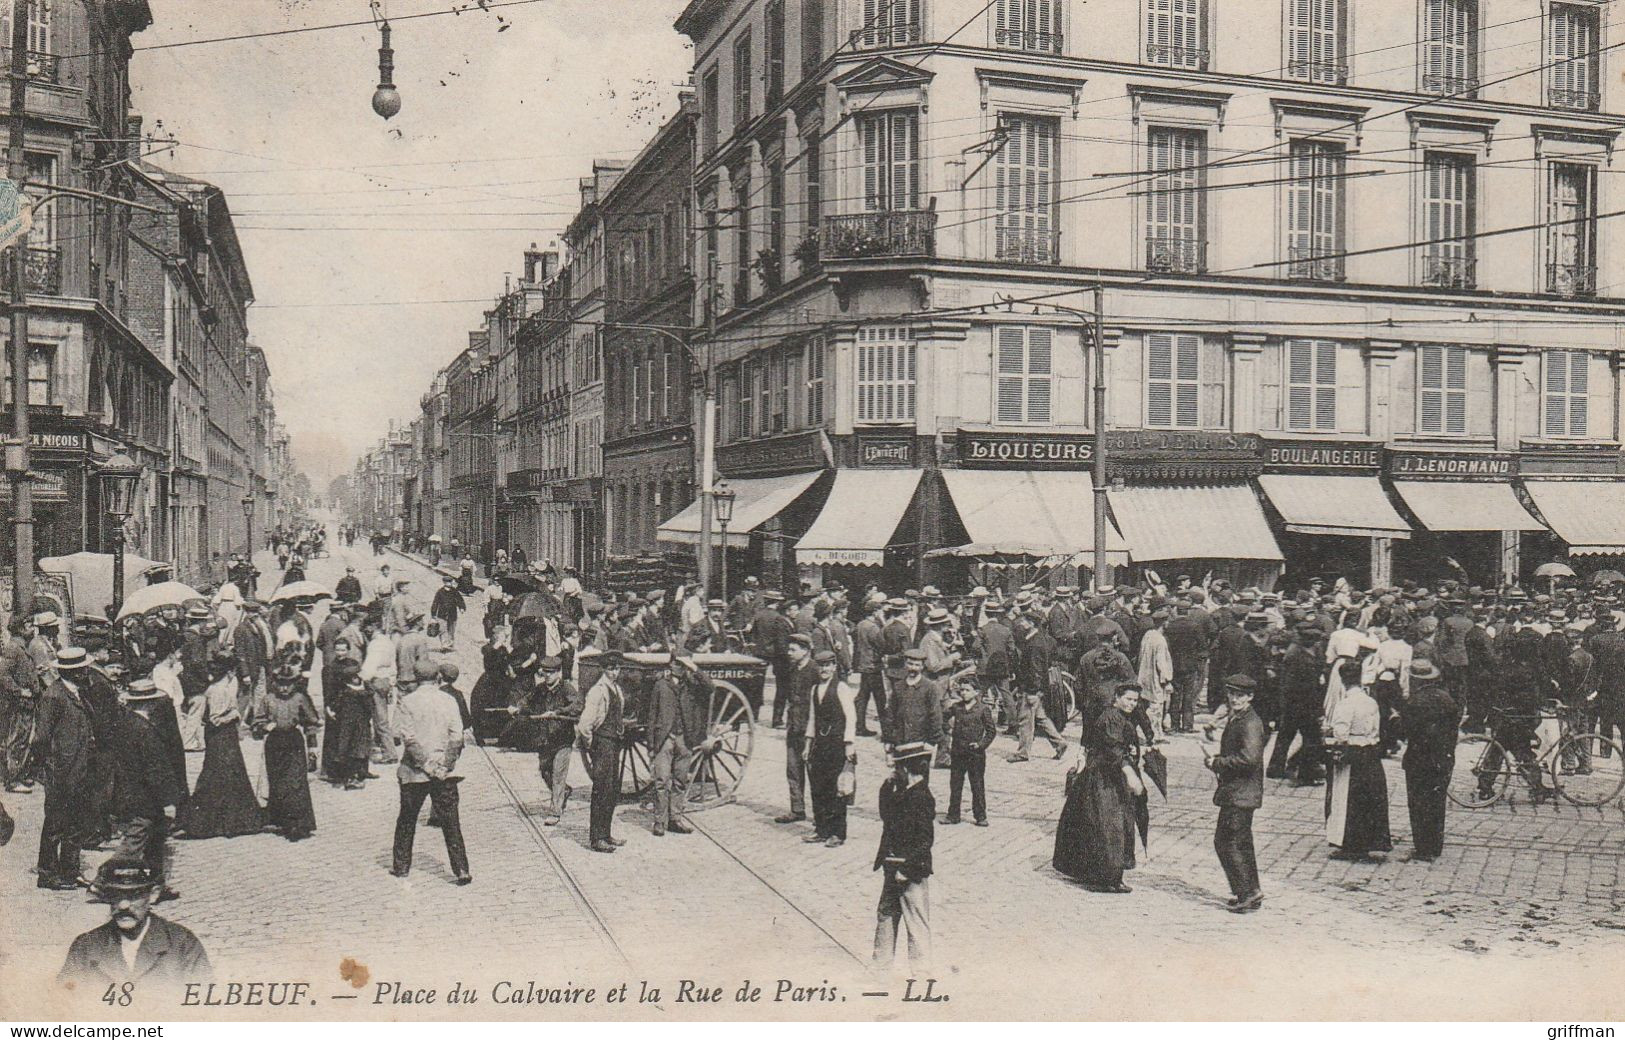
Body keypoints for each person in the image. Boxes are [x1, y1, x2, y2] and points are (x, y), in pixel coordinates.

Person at [57, 858, 211, 995]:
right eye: (116, 895)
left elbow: (203, 1009)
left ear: (153, 895)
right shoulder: (86, 947)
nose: (124, 905)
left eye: (133, 895)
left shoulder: (182, 945)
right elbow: (63, 1006)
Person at [1053, 683, 1146, 892]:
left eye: (1135, 700)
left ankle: (1101, 874)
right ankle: (1107, 877)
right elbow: (1114, 749)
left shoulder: (1118, 716)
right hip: (1104, 779)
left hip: (1109, 777)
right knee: (1108, 826)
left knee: (1103, 824)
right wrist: (1130, 773)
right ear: (1117, 697)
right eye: (1129, 699)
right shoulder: (1111, 717)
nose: (1132, 704)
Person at [391, 665, 471, 884]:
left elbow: (406, 738)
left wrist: (426, 765)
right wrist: (445, 765)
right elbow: (457, 737)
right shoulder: (449, 700)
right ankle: (461, 869)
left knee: (407, 819)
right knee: (451, 821)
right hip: (444, 773)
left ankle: (401, 866)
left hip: (415, 772)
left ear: (416, 678)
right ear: (437, 678)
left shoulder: (407, 702)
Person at [175, 654, 266, 840]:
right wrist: (233, 715)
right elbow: (216, 719)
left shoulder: (218, 687)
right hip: (222, 736)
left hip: (222, 737)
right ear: (230, 672)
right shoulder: (219, 690)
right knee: (222, 773)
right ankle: (224, 821)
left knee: (224, 772)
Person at [110, 680, 185, 895]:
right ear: (150, 704)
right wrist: (169, 801)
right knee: (136, 841)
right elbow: (157, 770)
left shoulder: (125, 724)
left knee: (155, 839)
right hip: (146, 797)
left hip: (131, 791)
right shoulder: (146, 730)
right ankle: (102, 881)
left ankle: (156, 885)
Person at [31, 647, 98, 889]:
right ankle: (47, 874)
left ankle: (70, 871)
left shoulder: (77, 693)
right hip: (61, 771)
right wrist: (49, 767)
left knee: (76, 822)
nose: (87, 671)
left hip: (78, 770)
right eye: (84, 669)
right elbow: (41, 739)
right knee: (55, 825)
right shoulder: (54, 696)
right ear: (75, 672)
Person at [1205, 674, 1267, 913]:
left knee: (1226, 842)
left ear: (1250, 697)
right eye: (1231, 694)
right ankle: (1251, 889)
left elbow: (1249, 759)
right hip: (1241, 792)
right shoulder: (1242, 717)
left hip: (1241, 793)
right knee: (1241, 842)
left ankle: (1247, 892)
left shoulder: (1249, 722)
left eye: (1240, 695)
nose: (1234, 699)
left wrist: (1218, 763)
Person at [872, 742, 935, 977]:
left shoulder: (922, 798)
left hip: (911, 870)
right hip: (891, 864)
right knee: (886, 915)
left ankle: (921, 973)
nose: (894, 771)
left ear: (906, 769)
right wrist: (886, 786)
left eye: (897, 767)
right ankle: (880, 966)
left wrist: (907, 869)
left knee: (916, 921)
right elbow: (885, 814)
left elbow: (924, 842)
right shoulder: (900, 792)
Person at [1322, 659, 1391, 861]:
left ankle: (1351, 844)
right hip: (1370, 752)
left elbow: (1341, 734)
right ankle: (1373, 841)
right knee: (1370, 799)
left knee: (1348, 800)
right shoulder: (1371, 701)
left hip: (1353, 753)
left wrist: (1330, 733)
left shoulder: (1345, 704)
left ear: (1343, 681)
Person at [253, 660, 320, 842]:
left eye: (288, 684)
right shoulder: (268, 699)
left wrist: (313, 746)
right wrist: (266, 726)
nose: (284, 688)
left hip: (294, 743)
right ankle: (282, 821)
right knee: (279, 783)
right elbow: (256, 723)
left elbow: (312, 721)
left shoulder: (299, 698)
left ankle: (298, 825)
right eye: (281, 684)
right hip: (274, 745)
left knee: (296, 783)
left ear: (294, 683)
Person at [1401, 659, 1460, 862]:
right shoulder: (1447, 700)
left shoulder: (1414, 702)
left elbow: (1406, 731)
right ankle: (1435, 845)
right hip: (1443, 757)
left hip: (1418, 759)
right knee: (1437, 801)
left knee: (1418, 804)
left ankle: (1422, 847)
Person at [804, 649, 857, 847]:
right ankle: (821, 829)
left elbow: (851, 717)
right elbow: (812, 718)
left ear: (834, 667)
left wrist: (849, 745)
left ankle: (838, 833)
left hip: (837, 744)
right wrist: (808, 744)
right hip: (820, 744)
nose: (824, 669)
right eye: (821, 666)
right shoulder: (815, 689)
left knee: (838, 789)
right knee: (818, 788)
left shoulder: (842, 688)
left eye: (827, 666)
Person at [576, 652, 628, 853]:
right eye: (610, 669)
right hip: (603, 743)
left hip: (613, 744)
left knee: (612, 790)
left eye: (617, 668)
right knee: (601, 790)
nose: (614, 672)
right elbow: (584, 725)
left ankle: (606, 833)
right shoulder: (598, 691)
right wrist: (592, 745)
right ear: (604, 669)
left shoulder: (615, 688)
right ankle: (597, 838)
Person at [521, 655, 581, 825]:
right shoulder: (540, 689)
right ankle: (565, 792)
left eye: (551, 673)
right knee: (545, 771)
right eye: (545, 673)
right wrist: (517, 707)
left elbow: (577, 706)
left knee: (558, 775)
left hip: (562, 739)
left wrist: (558, 712)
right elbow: (527, 700)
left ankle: (555, 811)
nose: (547, 676)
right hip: (545, 739)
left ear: (558, 673)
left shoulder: (566, 689)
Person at [648, 655, 705, 837]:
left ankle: (675, 819)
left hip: (684, 739)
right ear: (671, 664)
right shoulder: (661, 685)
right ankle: (659, 821)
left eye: (683, 665)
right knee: (661, 780)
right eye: (677, 663)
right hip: (664, 739)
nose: (679, 668)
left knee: (680, 780)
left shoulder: (692, 685)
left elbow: (710, 688)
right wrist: (651, 744)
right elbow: (652, 715)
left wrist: (694, 668)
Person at [1268, 623, 1327, 785]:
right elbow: (1294, 685)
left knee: (1286, 736)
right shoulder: (1296, 656)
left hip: (1298, 704)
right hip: (1300, 704)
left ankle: (1276, 768)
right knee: (1311, 739)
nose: (1315, 642)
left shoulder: (1307, 650)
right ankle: (1305, 773)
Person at [776, 635, 817, 825]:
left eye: (793, 650)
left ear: (805, 650)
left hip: (811, 730)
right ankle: (797, 809)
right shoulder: (791, 669)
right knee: (793, 770)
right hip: (794, 726)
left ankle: (820, 814)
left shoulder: (816, 670)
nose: (789, 653)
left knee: (814, 771)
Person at [943, 677, 993, 827]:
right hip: (958, 751)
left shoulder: (983, 709)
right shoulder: (956, 708)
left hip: (975, 754)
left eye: (967, 690)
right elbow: (942, 719)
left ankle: (980, 816)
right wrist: (949, 730)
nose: (963, 693)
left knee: (977, 784)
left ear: (976, 692)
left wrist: (981, 744)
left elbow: (991, 731)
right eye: (961, 690)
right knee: (956, 784)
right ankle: (953, 815)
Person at [431, 576, 466, 645]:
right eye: (448, 582)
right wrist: (433, 614)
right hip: (442, 614)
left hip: (452, 613)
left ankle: (450, 642)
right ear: (444, 582)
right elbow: (435, 603)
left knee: (451, 630)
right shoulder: (440, 592)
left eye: (450, 582)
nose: (450, 583)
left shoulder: (454, 591)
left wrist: (462, 608)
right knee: (442, 629)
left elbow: (460, 600)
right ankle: (444, 644)